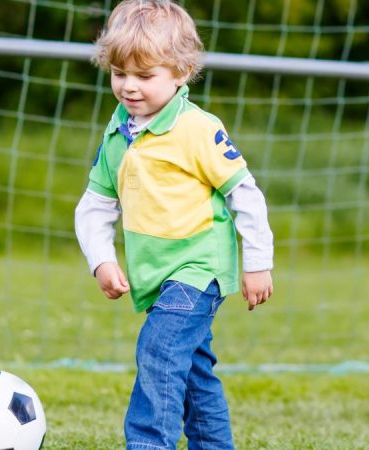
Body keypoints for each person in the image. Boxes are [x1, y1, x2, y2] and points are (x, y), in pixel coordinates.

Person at [74, 1, 274, 448]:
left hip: (198, 269)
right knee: (195, 374)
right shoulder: (118, 133)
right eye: (119, 73)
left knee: (159, 352)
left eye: (145, 76)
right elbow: (94, 205)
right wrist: (101, 260)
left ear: (181, 72)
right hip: (155, 274)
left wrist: (257, 262)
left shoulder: (197, 129)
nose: (129, 86)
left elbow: (245, 194)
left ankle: (148, 443)